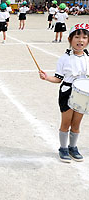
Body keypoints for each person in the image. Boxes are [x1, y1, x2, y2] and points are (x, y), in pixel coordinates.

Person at [39, 23, 89, 163]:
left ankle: (73, 147)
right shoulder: (64, 58)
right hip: (67, 92)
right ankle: (63, 148)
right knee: (66, 123)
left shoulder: (88, 57)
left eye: (84, 37)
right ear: (70, 39)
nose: (81, 40)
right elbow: (58, 78)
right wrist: (47, 77)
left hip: (83, 94)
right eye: (77, 37)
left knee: (77, 123)